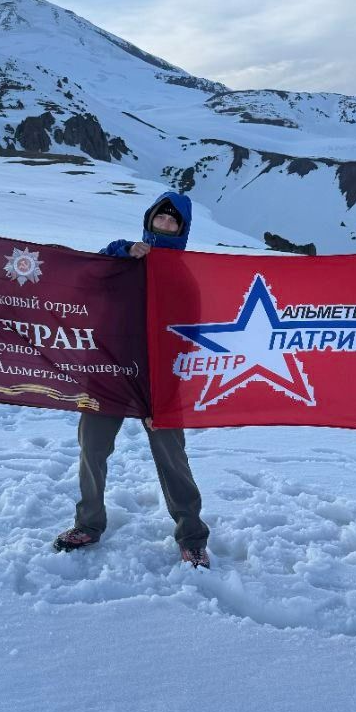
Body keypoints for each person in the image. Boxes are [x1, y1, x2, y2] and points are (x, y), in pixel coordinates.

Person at [53, 191, 211, 567]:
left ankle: (192, 536)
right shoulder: (124, 258)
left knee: (172, 457)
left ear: (182, 229)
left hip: (158, 381)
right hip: (108, 370)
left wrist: (168, 395)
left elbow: (186, 340)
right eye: (162, 217)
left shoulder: (185, 279)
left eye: (175, 221)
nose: (167, 224)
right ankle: (88, 524)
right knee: (92, 447)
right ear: (150, 219)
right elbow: (88, 275)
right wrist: (121, 250)